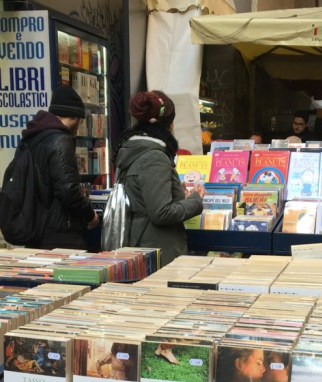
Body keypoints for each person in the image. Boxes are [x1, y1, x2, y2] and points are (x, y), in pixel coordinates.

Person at [113, 91, 203, 265]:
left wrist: (178, 195)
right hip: (155, 249)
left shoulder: (133, 149)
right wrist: (195, 200)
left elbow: (143, 198)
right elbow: (161, 212)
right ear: (168, 125)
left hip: (140, 243)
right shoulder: (154, 156)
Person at [17, 86, 99, 249]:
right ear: (76, 118)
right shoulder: (61, 141)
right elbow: (68, 189)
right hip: (60, 231)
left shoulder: (32, 138)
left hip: (33, 228)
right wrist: (90, 215)